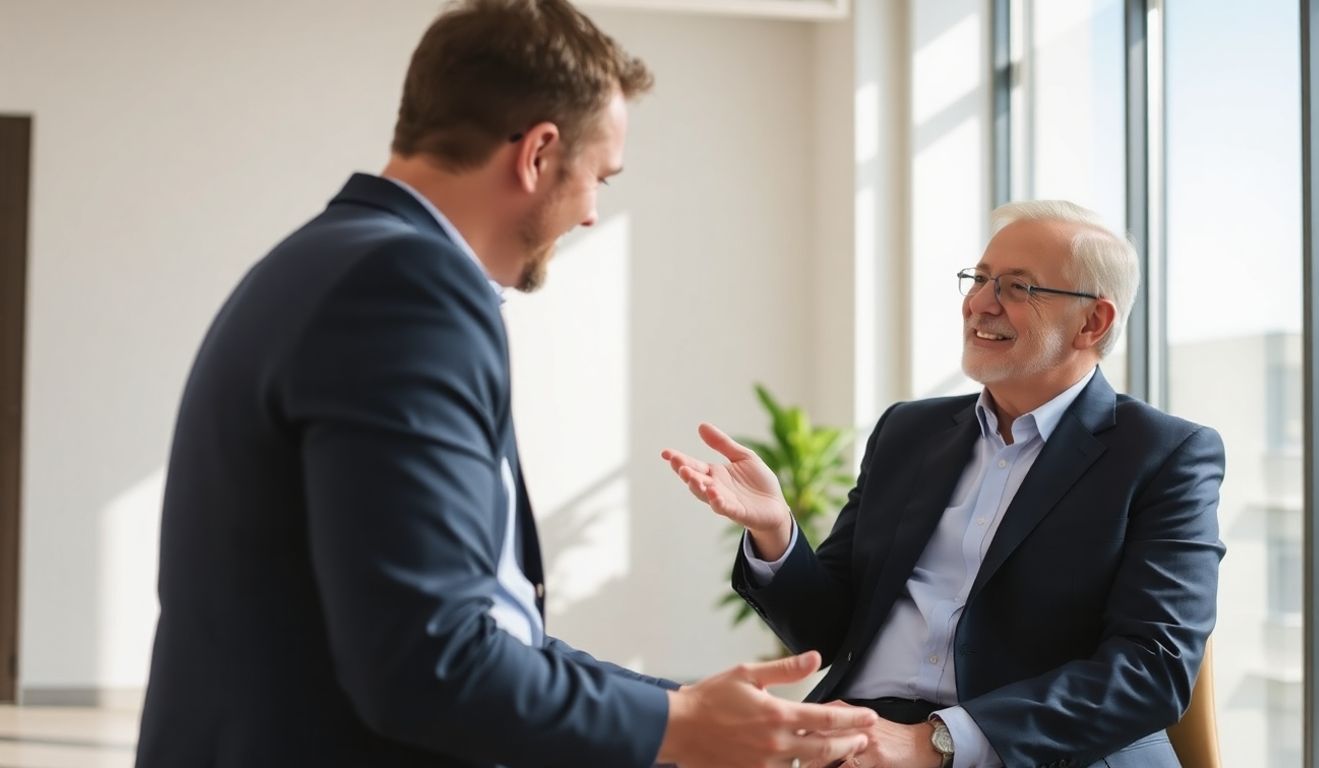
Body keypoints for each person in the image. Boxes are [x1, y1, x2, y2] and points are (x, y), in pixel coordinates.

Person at [134, 2, 876, 766]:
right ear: (538, 154)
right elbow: (428, 661)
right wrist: (676, 727)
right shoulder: (406, 289)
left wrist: (679, 707)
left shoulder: (332, 259)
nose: (592, 213)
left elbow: (478, 625)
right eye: (599, 177)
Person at [663, 201, 1225, 768]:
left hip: (1024, 752)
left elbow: (1152, 668)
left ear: (1092, 322)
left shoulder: (1165, 455)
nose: (979, 303)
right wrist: (776, 532)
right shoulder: (908, 430)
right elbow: (827, 630)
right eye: (979, 279)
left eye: (1017, 287)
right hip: (860, 739)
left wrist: (936, 742)